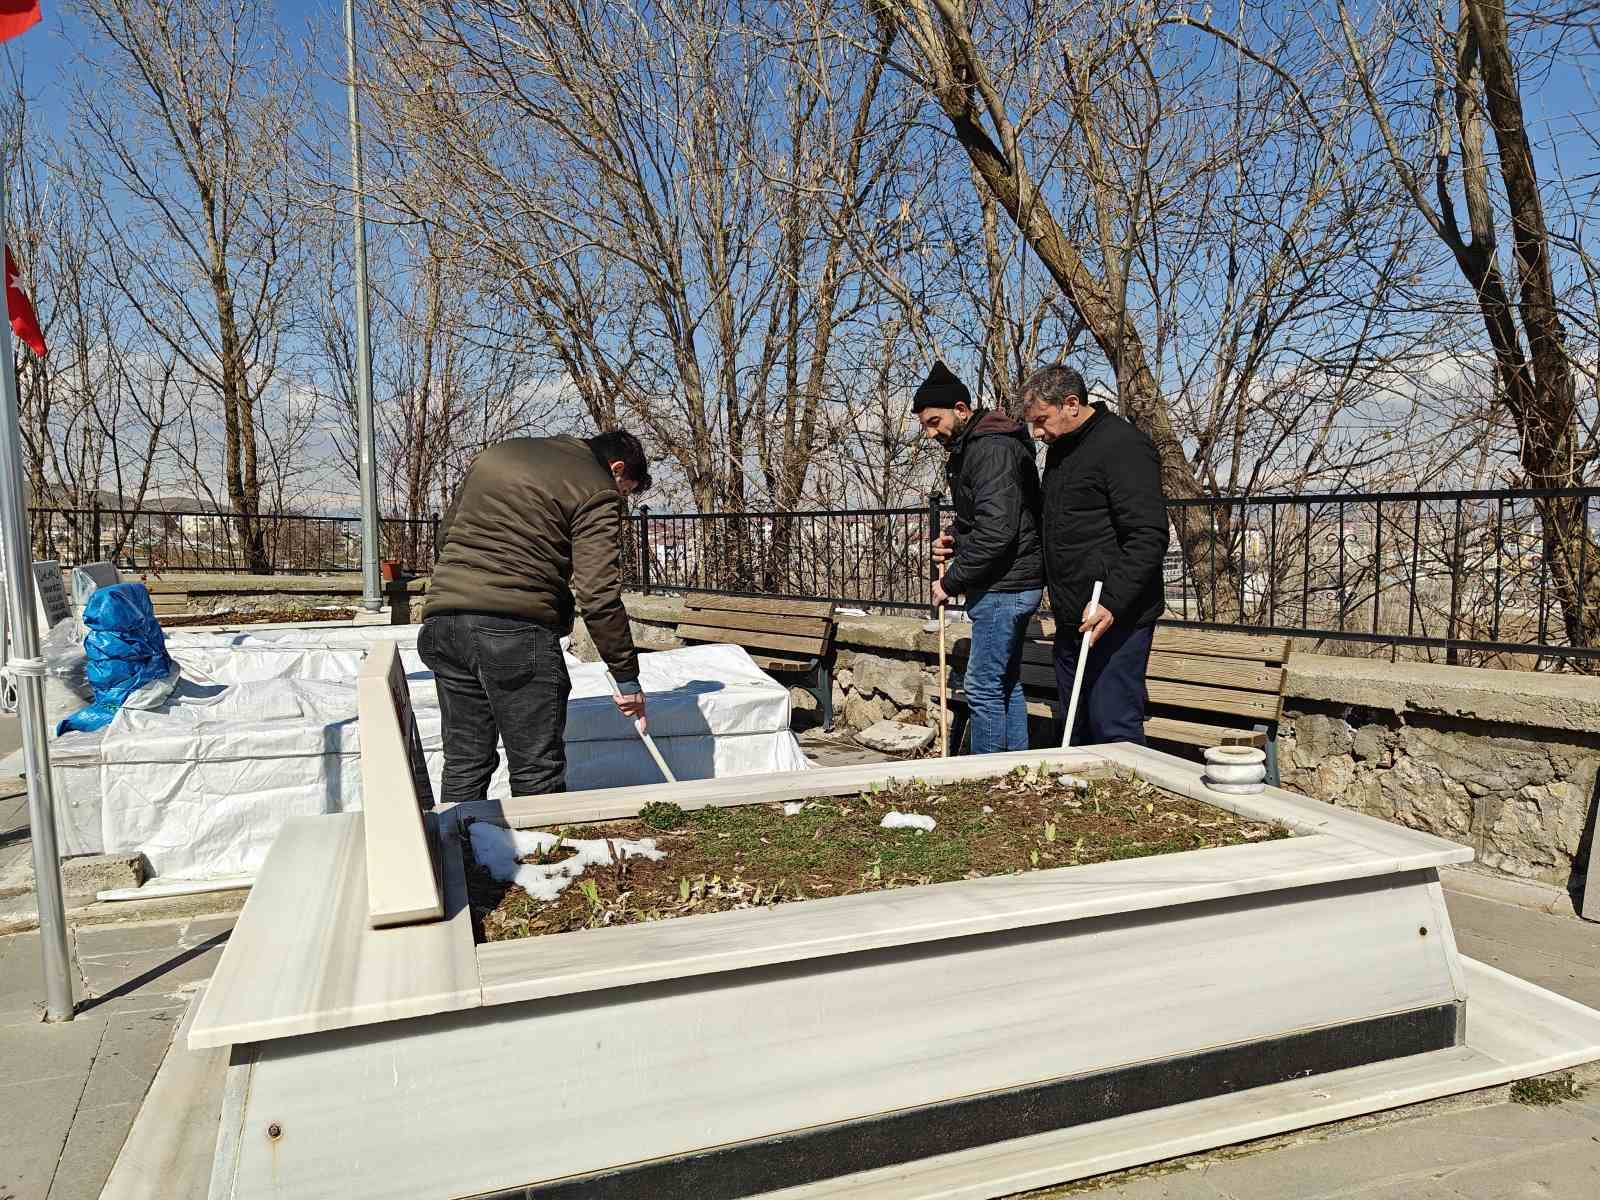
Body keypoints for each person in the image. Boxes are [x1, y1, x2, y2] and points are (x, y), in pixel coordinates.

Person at [420, 430, 651, 803]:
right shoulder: (596, 486)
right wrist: (626, 677)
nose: (621, 500)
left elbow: (446, 535)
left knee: (465, 760)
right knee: (536, 769)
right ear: (617, 468)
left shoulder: (498, 453)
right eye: (626, 491)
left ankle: (456, 853)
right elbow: (598, 595)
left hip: (444, 623)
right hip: (515, 631)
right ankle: (539, 855)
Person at [1020, 364, 1168, 745]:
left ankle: (1127, 802)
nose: (1037, 433)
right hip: (1074, 617)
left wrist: (1113, 602)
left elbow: (1148, 534)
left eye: (1041, 420)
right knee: (1076, 722)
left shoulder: (1123, 446)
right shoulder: (1062, 449)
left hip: (1115, 618)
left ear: (1071, 404)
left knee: (1112, 726)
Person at [916, 360, 1044, 754]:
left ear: (961, 409)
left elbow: (998, 532)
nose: (930, 432)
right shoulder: (977, 446)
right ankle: (1015, 768)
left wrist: (949, 582)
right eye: (925, 425)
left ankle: (983, 774)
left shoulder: (990, 448)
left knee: (982, 686)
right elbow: (989, 517)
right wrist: (954, 536)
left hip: (1005, 585)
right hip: (1011, 580)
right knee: (1005, 682)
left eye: (934, 421)